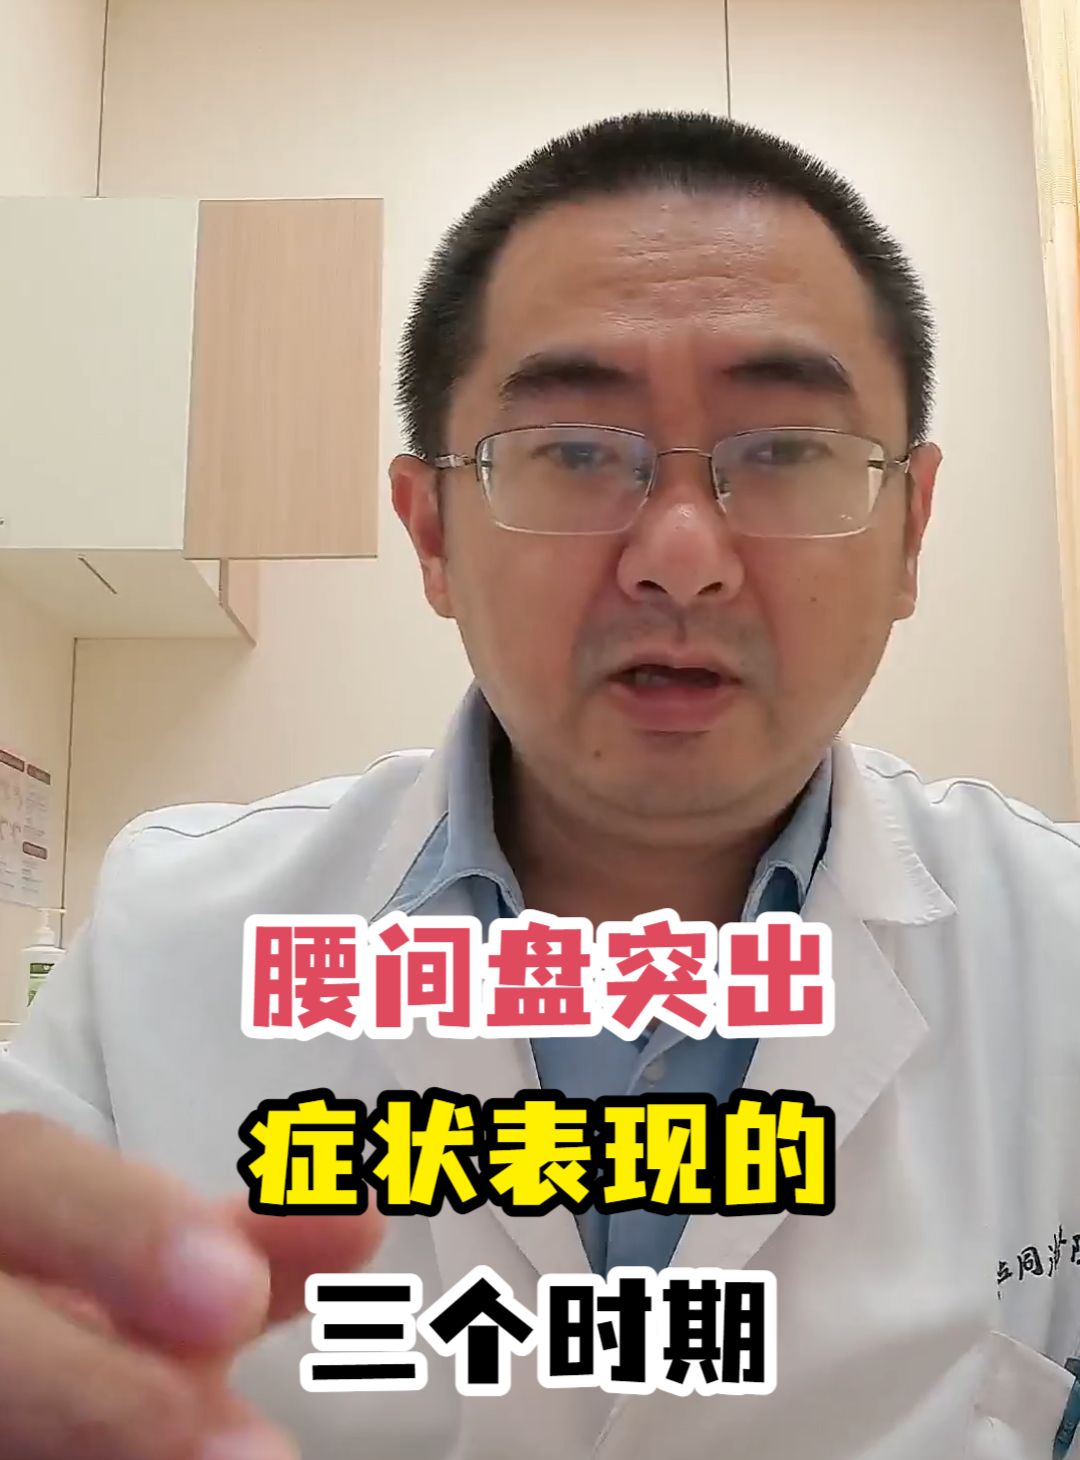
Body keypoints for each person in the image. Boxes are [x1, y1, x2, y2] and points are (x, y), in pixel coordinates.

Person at [1, 109, 1079, 1460]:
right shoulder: (168, 939)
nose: (680, 556)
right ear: (431, 533)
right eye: (573, 450)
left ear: (910, 527)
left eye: (785, 451)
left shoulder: (1059, 951)